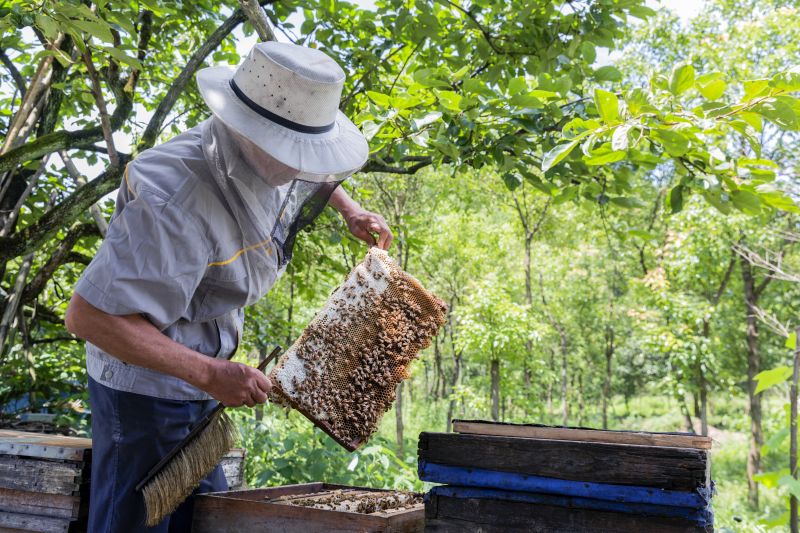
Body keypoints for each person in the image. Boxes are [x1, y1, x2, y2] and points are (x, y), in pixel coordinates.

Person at [64, 41, 392, 532]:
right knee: (134, 523)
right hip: (144, 393)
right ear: (248, 129)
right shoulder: (173, 196)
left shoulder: (274, 151)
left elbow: (310, 166)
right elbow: (89, 317)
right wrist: (211, 373)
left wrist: (349, 208)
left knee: (202, 520)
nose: (303, 168)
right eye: (292, 152)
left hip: (202, 381)